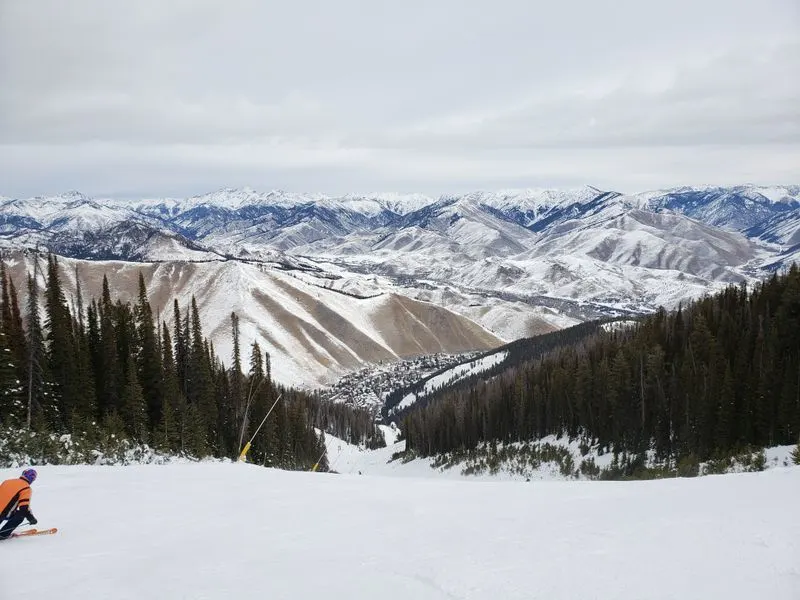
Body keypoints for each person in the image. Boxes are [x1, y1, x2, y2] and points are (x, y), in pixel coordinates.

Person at [0, 469, 39, 540]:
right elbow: (24, 507)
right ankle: (3, 534)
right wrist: (31, 518)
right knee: (20, 515)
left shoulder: (7, 482)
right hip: (2, 514)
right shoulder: (26, 488)